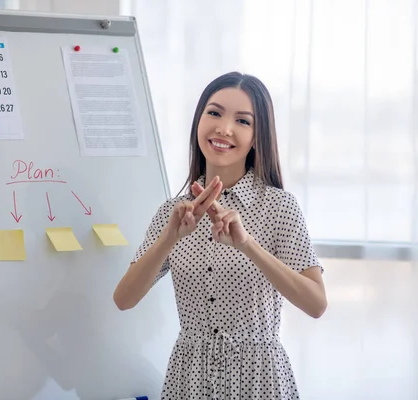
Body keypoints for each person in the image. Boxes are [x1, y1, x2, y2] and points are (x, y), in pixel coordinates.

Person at [113, 71, 327, 399]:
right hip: (190, 378)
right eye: (214, 113)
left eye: (242, 121)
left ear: (258, 136)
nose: (224, 128)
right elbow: (124, 299)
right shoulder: (175, 212)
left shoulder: (279, 207)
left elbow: (316, 303)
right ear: (198, 122)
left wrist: (247, 244)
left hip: (259, 380)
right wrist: (170, 237)